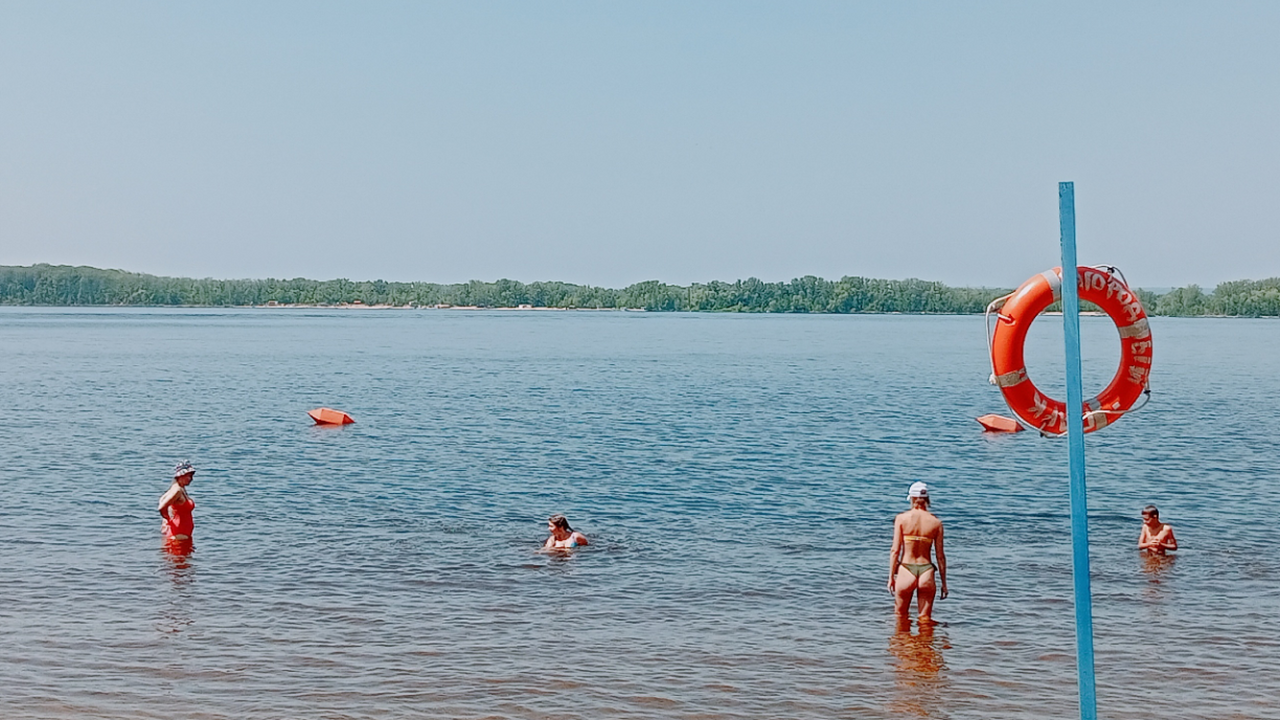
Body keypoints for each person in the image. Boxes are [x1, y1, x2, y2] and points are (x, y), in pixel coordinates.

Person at [889, 482, 947, 623]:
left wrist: (891, 577)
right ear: (927, 499)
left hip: (906, 569)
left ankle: (903, 644)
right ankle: (924, 645)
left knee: (900, 617)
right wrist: (944, 583)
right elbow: (940, 556)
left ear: (912, 498)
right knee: (925, 619)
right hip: (926, 570)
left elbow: (895, 550)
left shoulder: (901, 519)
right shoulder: (936, 522)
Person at [158, 461, 197, 544]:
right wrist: (167, 519)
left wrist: (165, 522)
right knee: (180, 556)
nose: (191, 479)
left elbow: (162, 499)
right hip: (179, 535)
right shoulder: (177, 490)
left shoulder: (178, 488)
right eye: (189, 476)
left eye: (192, 476)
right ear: (181, 475)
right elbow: (162, 507)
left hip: (181, 534)